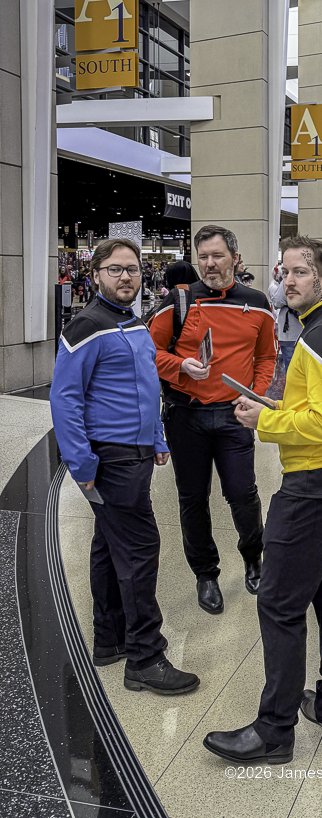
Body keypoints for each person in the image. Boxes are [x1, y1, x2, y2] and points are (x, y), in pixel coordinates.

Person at [203, 235, 322, 765]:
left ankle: (274, 731)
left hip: (313, 488)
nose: (288, 281)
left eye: (299, 272)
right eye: (284, 272)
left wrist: (265, 421)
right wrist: (278, 405)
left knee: (279, 605)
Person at [50, 238, 199, 695]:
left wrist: (155, 437)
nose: (126, 276)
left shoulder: (132, 322)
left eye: (132, 268)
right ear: (95, 274)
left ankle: (110, 639)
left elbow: (144, 383)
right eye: (115, 269)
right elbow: (65, 399)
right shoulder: (87, 326)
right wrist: (81, 464)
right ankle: (145, 657)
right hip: (110, 457)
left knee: (109, 546)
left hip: (135, 451)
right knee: (139, 549)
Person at [147, 225, 276, 614]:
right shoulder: (178, 301)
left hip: (234, 416)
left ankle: (253, 557)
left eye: (217, 256)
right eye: (202, 257)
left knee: (243, 494)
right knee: (192, 499)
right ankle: (205, 574)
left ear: (235, 258)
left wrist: (253, 394)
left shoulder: (257, 303)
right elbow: (148, 352)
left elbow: (266, 356)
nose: (209, 264)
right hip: (185, 416)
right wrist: (179, 366)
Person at [268, 265, 302, 370]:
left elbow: (277, 301)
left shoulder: (286, 282)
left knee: (292, 369)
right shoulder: (310, 278)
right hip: (299, 332)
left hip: (291, 333)